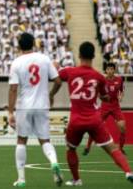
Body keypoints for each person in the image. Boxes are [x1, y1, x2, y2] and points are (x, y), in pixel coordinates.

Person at [54, 42, 133, 186]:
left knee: (71, 148)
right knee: (112, 148)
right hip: (94, 119)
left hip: (76, 119)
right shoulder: (99, 76)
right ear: (93, 56)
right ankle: (128, 171)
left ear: (79, 55)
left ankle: (76, 179)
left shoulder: (70, 71)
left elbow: (55, 76)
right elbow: (105, 97)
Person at [8, 33, 63, 187]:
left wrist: (10, 112)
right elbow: (58, 81)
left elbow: (13, 89)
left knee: (21, 140)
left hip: (24, 106)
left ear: (19, 46)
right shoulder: (44, 59)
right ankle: (54, 163)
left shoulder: (16, 62)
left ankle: (21, 179)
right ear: (33, 43)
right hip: (42, 105)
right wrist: (51, 95)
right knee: (45, 140)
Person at [83, 62, 126, 155]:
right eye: (108, 69)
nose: (110, 71)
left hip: (115, 106)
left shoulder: (119, 80)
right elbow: (98, 93)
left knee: (122, 127)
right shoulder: (102, 80)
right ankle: (88, 146)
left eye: (111, 69)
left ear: (114, 70)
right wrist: (101, 97)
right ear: (106, 70)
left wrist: (121, 97)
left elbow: (122, 91)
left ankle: (121, 148)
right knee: (95, 126)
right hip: (105, 106)